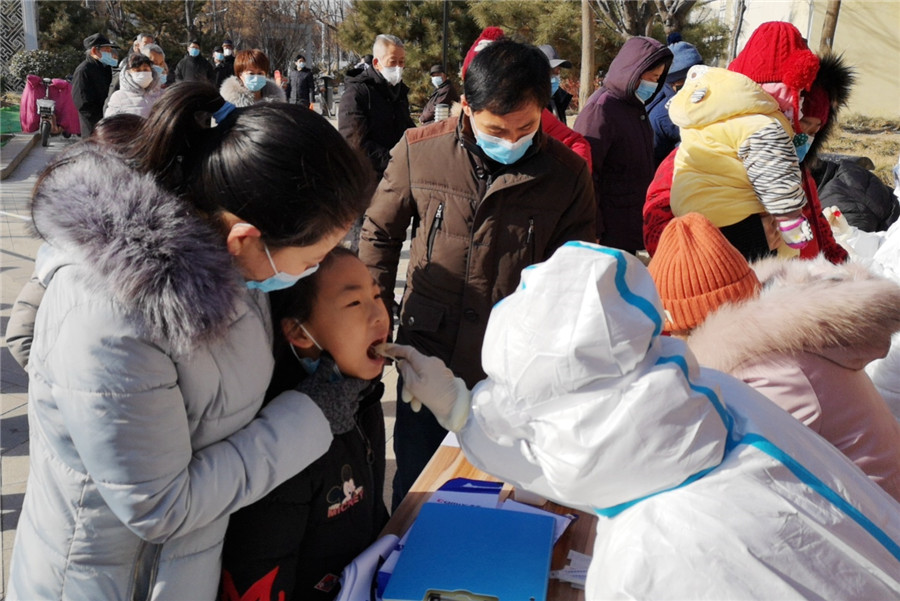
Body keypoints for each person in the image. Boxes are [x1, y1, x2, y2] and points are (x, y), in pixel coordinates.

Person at [6, 83, 374, 601]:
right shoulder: (114, 314)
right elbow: (161, 506)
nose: (315, 270)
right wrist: (312, 415)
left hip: (183, 571)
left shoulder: (230, 262)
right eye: (314, 256)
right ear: (245, 237)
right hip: (110, 581)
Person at [384, 241, 900, 599]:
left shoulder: (645, 558)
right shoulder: (709, 398)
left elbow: (573, 451)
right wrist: (462, 408)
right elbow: (591, 447)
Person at [358, 39, 596, 508]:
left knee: (502, 492)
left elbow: (577, 275)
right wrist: (374, 319)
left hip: (514, 371)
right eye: (495, 129)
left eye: (524, 127)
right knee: (419, 487)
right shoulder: (420, 151)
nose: (510, 140)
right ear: (466, 106)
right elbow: (378, 236)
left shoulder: (566, 176)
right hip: (428, 359)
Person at [648, 212, 900, 500]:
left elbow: (747, 481)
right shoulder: (777, 339)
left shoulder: (774, 371)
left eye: (676, 335)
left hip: (878, 515)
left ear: (690, 326)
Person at [221, 248, 390, 601]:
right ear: (299, 332)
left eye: (377, 295)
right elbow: (257, 576)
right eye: (354, 304)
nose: (379, 315)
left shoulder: (360, 397)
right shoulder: (283, 442)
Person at [574, 36, 673, 251]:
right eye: (651, 77)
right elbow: (586, 175)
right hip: (609, 229)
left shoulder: (634, 106)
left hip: (628, 222)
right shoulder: (601, 109)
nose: (654, 84)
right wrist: (594, 228)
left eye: (658, 78)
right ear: (634, 71)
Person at [338, 34, 415, 179]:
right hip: (369, 178)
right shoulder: (357, 93)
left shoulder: (399, 92)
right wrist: (392, 160)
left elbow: (406, 127)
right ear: (377, 62)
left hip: (399, 175)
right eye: (393, 62)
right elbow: (354, 142)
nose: (398, 68)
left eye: (402, 62)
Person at [647, 41, 703, 166]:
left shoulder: (715, 94)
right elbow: (654, 159)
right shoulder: (662, 116)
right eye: (683, 82)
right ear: (673, 83)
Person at [72, 33, 120, 136]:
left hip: (107, 122)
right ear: (94, 51)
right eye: (106, 50)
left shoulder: (105, 67)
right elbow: (82, 102)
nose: (110, 53)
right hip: (93, 126)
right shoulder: (83, 70)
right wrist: (99, 120)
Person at [220, 49, 286, 107]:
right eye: (251, 73)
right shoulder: (227, 103)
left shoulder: (277, 103)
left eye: (260, 73)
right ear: (240, 75)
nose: (256, 77)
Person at [104, 53, 163, 118]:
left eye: (145, 70)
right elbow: (110, 123)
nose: (142, 73)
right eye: (138, 70)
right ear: (128, 73)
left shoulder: (162, 95)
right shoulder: (119, 97)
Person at [539, 44, 573, 124]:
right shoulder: (525, 106)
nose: (556, 76)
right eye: (551, 71)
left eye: (558, 71)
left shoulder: (558, 100)